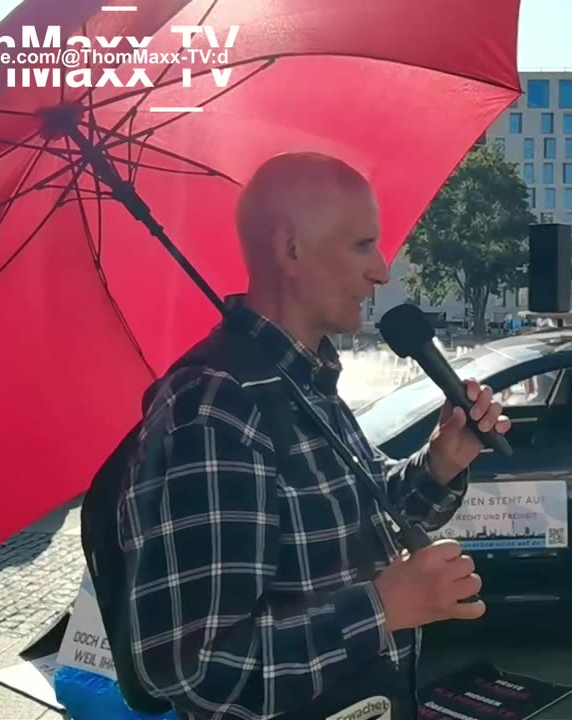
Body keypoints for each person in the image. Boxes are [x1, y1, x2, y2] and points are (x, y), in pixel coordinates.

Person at [119, 152, 510, 720]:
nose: (381, 270)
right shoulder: (217, 409)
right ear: (290, 248)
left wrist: (439, 463)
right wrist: (383, 608)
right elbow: (195, 669)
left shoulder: (305, 384)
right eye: (361, 245)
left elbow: (359, 523)